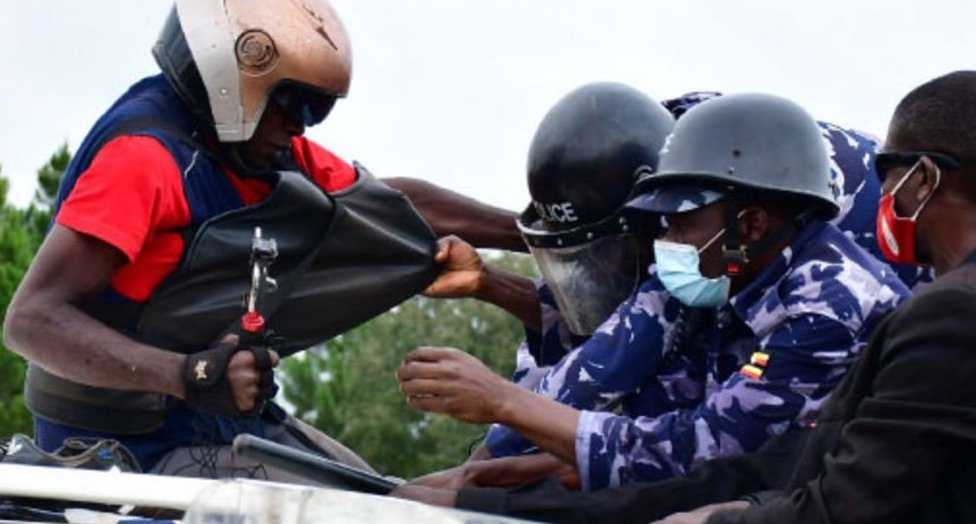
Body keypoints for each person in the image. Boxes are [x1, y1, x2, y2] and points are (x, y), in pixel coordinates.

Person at [398, 70, 976, 524]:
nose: (663, 244)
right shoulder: (726, 261)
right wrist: (540, 466)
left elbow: (705, 451)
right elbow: (651, 402)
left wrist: (501, 413)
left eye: (674, 226)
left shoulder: (830, 303)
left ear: (749, 225)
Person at [3, 0, 516, 481]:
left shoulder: (259, 149)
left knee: (396, 499)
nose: (299, 125)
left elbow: (390, 205)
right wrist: (190, 373)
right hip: (119, 447)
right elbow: (31, 319)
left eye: (317, 109)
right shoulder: (144, 159)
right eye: (294, 102)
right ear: (232, 74)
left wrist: (535, 232)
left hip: (213, 417)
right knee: (367, 514)